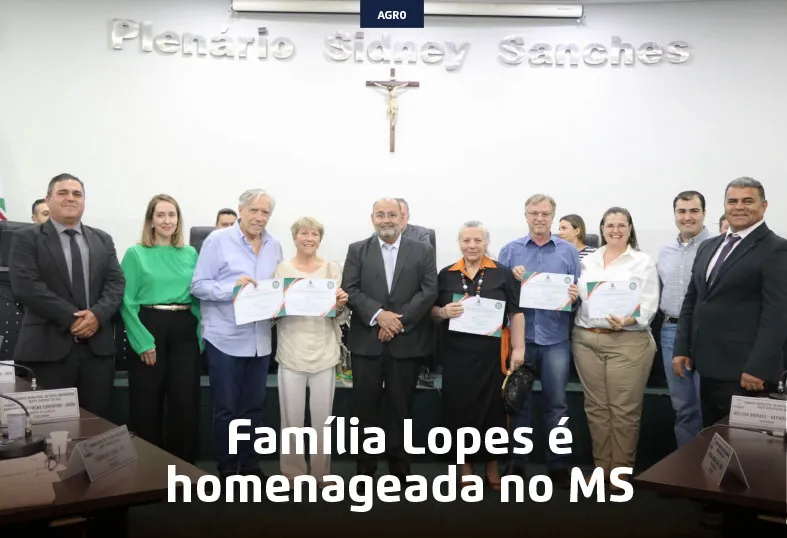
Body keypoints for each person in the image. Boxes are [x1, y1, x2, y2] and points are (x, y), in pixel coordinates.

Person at [673, 177, 787, 427]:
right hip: (707, 367)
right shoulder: (708, 247)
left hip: (746, 374)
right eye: (732, 201)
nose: (739, 207)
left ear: (764, 206)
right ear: (725, 206)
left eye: (748, 201)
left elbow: (778, 316)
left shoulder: (777, 249)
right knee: (712, 439)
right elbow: (693, 300)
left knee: (744, 444)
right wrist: (681, 347)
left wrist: (758, 367)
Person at [9, 173, 125, 418]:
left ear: (84, 201)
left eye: (77, 194)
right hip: (47, 351)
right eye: (62, 193)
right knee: (50, 429)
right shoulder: (26, 238)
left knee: (97, 425)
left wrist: (96, 316)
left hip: (97, 353)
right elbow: (27, 286)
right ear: (48, 200)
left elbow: (116, 283)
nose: (70, 198)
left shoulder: (102, 239)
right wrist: (76, 319)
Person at [342, 197, 438, 483]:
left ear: (403, 218)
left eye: (392, 215)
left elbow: (428, 291)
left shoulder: (423, 250)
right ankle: (365, 469)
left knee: (402, 408)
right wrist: (379, 315)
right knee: (365, 409)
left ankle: (400, 468)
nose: (387, 220)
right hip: (367, 342)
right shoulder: (357, 250)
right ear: (372, 218)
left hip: (405, 343)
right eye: (381, 214)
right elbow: (350, 289)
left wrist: (397, 322)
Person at [191, 189, 283, 480]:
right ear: (240, 210)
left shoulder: (274, 245)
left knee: (255, 407)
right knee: (226, 409)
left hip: (260, 339)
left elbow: (276, 286)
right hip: (225, 338)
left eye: (265, 212)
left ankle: (251, 465)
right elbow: (198, 286)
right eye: (254, 210)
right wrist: (232, 289)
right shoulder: (217, 241)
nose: (259, 217)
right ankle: (229, 467)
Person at [432, 221, 525, 490]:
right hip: (456, 356)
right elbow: (431, 314)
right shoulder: (446, 274)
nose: (472, 246)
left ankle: (492, 467)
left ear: (486, 243)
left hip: (492, 355)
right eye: (466, 241)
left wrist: (519, 349)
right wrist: (443, 312)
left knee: (493, 412)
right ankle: (466, 467)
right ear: (459, 243)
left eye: (477, 240)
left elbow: (516, 313)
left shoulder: (502, 273)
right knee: (459, 410)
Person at [572, 207, 658, 486]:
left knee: (623, 411)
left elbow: (649, 305)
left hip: (628, 342)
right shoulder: (587, 261)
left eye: (622, 225)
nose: (616, 230)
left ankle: (620, 472)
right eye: (610, 225)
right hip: (586, 340)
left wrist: (628, 319)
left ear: (630, 229)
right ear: (602, 228)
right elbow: (578, 298)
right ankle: (602, 469)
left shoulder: (642, 262)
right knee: (596, 409)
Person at [498, 194, 580, 487]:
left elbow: (577, 293)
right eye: (534, 213)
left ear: (553, 217)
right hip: (521, 340)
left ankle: (558, 465)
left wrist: (574, 296)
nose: (539, 218)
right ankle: (517, 463)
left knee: (557, 405)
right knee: (519, 404)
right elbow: (498, 294)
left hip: (556, 339)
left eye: (545, 213)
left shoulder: (568, 252)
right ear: (526, 216)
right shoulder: (510, 251)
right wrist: (511, 279)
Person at [119, 194, 202, 464]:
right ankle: (148, 469)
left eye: (172, 215)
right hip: (149, 325)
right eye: (161, 215)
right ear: (151, 221)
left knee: (185, 402)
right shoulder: (135, 254)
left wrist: (199, 334)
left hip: (184, 328)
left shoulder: (190, 253)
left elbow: (197, 297)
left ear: (178, 220)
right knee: (146, 403)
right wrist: (142, 341)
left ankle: (183, 469)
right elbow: (126, 301)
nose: (167, 220)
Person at [274, 216, 348, 487]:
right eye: (303, 233)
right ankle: (292, 472)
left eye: (314, 234)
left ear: (320, 239)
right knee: (291, 418)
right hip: (291, 348)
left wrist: (341, 304)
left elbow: (339, 314)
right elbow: (274, 311)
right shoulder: (282, 268)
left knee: (322, 418)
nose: (309, 238)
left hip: (324, 349)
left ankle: (321, 473)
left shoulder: (332, 268)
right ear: (294, 238)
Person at [656, 191, 710, 448]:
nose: (687, 217)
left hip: (707, 333)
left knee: (707, 404)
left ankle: (709, 469)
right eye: (682, 211)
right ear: (675, 214)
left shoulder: (716, 247)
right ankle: (686, 468)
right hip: (671, 331)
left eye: (694, 211)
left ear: (704, 213)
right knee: (683, 406)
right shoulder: (665, 252)